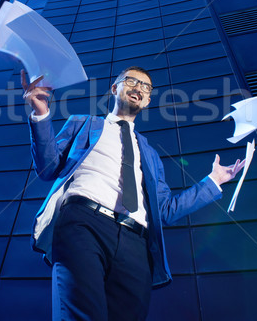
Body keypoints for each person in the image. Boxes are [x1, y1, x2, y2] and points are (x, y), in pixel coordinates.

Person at [22, 66, 244, 321]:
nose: (139, 88)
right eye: (132, 81)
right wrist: (41, 114)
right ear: (115, 88)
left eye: (146, 87)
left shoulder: (149, 153)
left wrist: (213, 181)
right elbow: (48, 167)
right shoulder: (83, 123)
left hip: (135, 243)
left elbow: (165, 210)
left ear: (148, 100)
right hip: (83, 223)